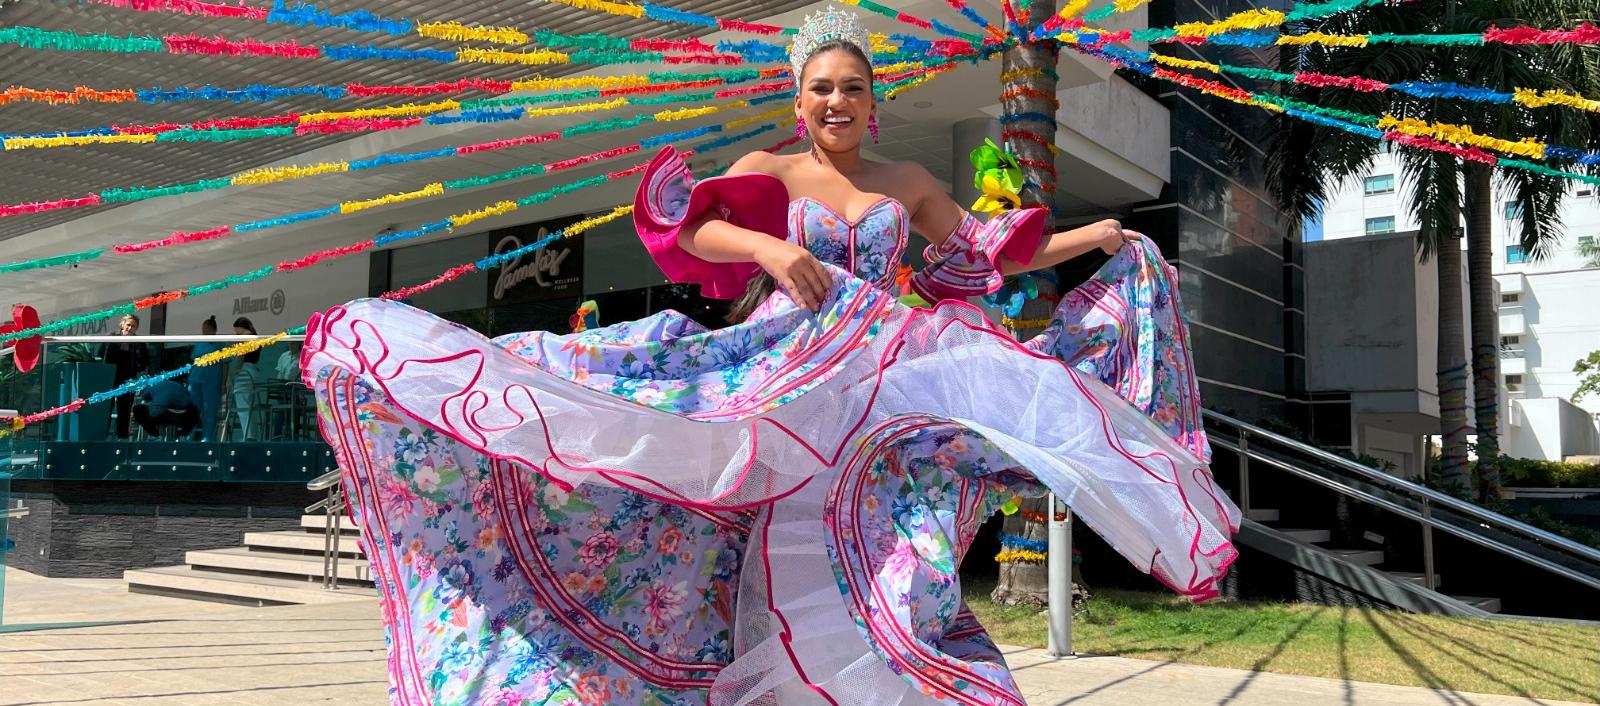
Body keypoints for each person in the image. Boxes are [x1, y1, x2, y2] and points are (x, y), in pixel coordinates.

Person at [301, 8, 1234, 704]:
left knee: (894, 541)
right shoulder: (770, 172)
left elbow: (986, 251)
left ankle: (887, 670)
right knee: (718, 508)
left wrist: (1094, 238)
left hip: (878, 377)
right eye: (822, 88)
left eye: (853, 87)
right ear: (800, 101)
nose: (837, 101)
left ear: (873, 101)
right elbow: (692, 230)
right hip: (784, 368)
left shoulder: (906, 180)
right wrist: (772, 251)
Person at [100, 314, 148, 439]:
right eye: (128, 325)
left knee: (125, 407)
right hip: (110, 375)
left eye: (133, 326)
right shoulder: (112, 337)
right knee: (106, 406)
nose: (130, 328)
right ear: (122, 324)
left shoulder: (139, 342)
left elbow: (144, 360)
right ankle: (102, 434)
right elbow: (101, 353)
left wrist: (140, 373)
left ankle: (121, 436)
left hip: (128, 376)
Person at [187, 317, 225, 441]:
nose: (205, 333)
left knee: (210, 409)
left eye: (207, 331)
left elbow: (225, 364)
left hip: (212, 380)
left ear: (214, 330)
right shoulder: (199, 342)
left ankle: (208, 436)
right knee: (193, 409)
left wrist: (224, 383)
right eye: (203, 331)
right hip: (195, 379)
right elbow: (194, 361)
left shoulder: (221, 343)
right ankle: (189, 434)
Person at [132, 379, 199, 439]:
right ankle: (184, 435)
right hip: (183, 412)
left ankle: (155, 435)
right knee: (193, 413)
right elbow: (189, 403)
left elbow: (154, 413)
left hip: (172, 413)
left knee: (137, 409)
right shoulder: (162, 386)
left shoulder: (154, 393)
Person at [229, 317, 260, 441]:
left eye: (236, 330)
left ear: (241, 328)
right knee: (250, 405)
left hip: (244, 371)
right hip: (253, 370)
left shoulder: (245, 338)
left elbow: (240, 357)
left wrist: (235, 372)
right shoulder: (255, 337)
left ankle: (248, 435)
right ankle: (252, 435)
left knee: (243, 405)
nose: (236, 334)